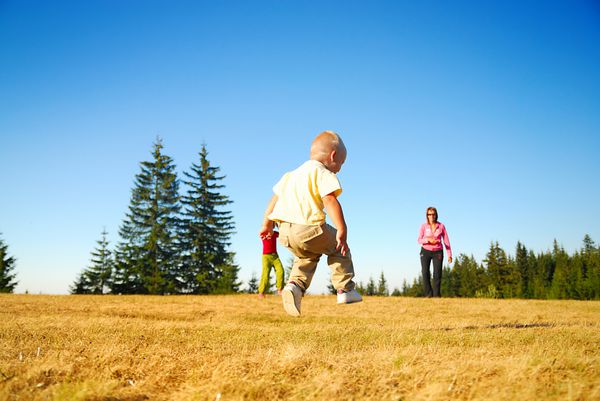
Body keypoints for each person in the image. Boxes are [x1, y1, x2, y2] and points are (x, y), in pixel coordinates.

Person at [259, 130, 362, 317]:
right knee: (339, 248)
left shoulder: (290, 175)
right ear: (333, 156)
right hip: (308, 228)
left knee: (307, 256)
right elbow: (329, 200)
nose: (340, 168)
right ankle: (345, 290)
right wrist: (341, 229)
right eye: (341, 162)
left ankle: (294, 287)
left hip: (285, 232)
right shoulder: (321, 172)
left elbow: (274, 200)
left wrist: (266, 224)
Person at [417, 206, 452, 297]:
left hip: (438, 252)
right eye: (429, 214)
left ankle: (436, 296)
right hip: (425, 251)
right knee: (425, 273)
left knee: (437, 274)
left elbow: (446, 241)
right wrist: (428, 240)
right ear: (427, 216)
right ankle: (428, 294)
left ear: (436, 215)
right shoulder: (423, 226)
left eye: (433, 214)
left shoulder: (441, 226)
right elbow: (419, 240)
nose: (431, 216)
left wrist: (449, 255)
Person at [258, 228, 284, 298]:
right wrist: (266, 231)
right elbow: (260, 234)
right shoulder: (263, 232)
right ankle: (261, 292)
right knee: (265, 274)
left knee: (280, 271)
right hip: (266, 257)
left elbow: (282, 234)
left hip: (275, 256)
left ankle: (280, 290)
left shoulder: (275, 233)